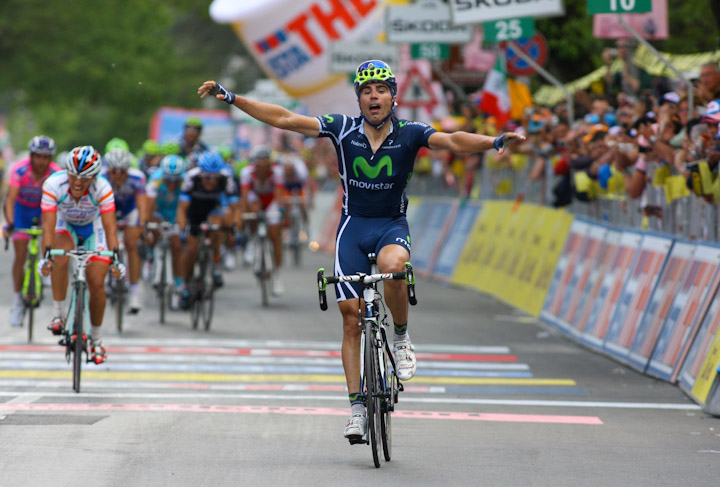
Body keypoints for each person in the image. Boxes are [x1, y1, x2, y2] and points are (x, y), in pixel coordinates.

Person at [198, 59, 523, 441]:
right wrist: (232, 98)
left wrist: (492, 141)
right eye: (366, 91)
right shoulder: (342, 129)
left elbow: (452, 141)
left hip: (390, 227)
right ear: (359, 98)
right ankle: (356, 409)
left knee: (395, 268)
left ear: (392, 96)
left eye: (381, 90)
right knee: (351, 319)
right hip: (353, 230)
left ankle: (400, 338)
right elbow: (286, 119)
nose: (374, 96)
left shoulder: (410, 132)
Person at [38, 146, 124, 364]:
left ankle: (96, 339)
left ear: (94, 176)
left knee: (96, 282)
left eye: (84, 178)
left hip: (94, 228)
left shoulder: (103, 188)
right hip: (65, 224)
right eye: (73, 175)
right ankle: (58, 314)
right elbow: (47, 227)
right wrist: (45, 258)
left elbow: (110, 227)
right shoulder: (53, 185)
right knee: (59, 255)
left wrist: (116, 260)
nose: (77, 182)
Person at [2, 136, 61, 327]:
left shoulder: (56, 173)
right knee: (20, 253)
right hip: (22, 211)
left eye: (46, 157)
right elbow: (10, 199)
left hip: (44, 210)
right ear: (31, 156)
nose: (42, 161)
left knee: (49, 239)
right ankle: (18, 301)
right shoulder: (19, 170)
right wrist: (10, 223)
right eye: (38, 157)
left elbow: (61, 202)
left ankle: (45, 269)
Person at [175, 150, 238, 308]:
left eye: (214, 177)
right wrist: (183, 230)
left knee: (218, 223)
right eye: (207, 177)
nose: (211, 181)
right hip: (194, 212)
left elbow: (235, 208)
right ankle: (184, 284)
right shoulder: (192, 177)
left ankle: (216, 262)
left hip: (213, 210)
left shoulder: (226, 178)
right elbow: (182, 209)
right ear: (201, 173)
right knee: (191, 248)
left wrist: (233, 230)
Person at [101, 148, 147, 313]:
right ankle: (106, 279)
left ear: (128, 169)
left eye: (122, 171)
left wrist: (143, 221)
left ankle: (134, 291)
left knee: (131, 244)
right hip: (109, 211)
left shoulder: (137, 177)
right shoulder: (100, 177)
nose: (118, 175)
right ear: (108, 168)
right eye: (114, 171)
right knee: (105, 243)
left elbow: (142, 203)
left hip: (129, 211)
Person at [239, 146, 286, 295]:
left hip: (271, 199)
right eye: (258, 163)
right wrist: (243, 215)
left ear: (270, 163)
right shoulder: (246, 172)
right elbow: (245, 196)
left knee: (275, 236)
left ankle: (277, 275)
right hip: (255, 198)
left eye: (264, 162)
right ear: (254, 164)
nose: (261, 167)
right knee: (252, 210)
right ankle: (253, 241)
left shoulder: (277, 171)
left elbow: (279, 196)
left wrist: (280, 213)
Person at [145, 154, 186, 306]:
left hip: (175, 212)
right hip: (158, 211)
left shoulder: (185, 181)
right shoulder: (156, 180)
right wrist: (148, 226)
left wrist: (182, 228)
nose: (172, 183)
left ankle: (179, 283)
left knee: (177, 245)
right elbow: (149, 205)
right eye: (169, 179)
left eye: (176, 179)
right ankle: (150, 256)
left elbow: (184, 207)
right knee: (153, 229)